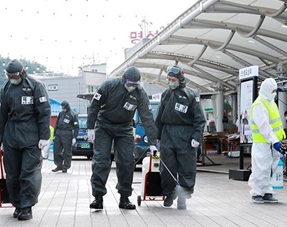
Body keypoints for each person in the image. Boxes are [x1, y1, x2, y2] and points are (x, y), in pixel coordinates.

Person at [88, 66, 158, 210]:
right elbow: (94, 105)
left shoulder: (140, 94)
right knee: (101, 160)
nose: (132, 87)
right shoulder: (109, 86)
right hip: (104, 126)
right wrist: (90, 128)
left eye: (135, 84)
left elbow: (147, 117)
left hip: (124, 128)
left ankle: (124, 198)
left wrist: (152, 142)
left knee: (126, 162)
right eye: (130, 84)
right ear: (124, 80)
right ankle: (98, 197)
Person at [0, 59, 51, 221]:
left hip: (31, 134)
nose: (12, 78)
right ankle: (18, 204)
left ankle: (27, 206)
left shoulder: (35, 86)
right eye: (9, 76)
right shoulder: (6, 89)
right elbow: (2, 116)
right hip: (11, 134)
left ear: (22, 72)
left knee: (29, 172)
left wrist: (44, 136)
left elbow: (44, 112)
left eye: (14, 75)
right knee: (12, 173)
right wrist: (0, 138)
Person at [155, 66, 205, 210]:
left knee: (186, 166)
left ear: (180, 79)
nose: (171, 82)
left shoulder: (191, 95)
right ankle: (169, 194)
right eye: (169, 80)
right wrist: (156, 136)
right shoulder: (165, 94)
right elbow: (159, 118)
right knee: (167, 167)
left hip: (185, 134)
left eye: (173, 80)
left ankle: (183, 196)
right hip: (167, 133)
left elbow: (199, 119)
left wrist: (197, 136)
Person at [248, 78, 285, 203]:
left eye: (275, 91)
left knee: (271, 168)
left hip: (272, 143)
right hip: (263, 143)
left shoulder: (271, 103)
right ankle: (257, 192)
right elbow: (264, 126)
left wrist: (277, 139)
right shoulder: (259, 104)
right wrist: (274, 140)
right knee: (262, 168)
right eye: (273, 90)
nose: (274, 93)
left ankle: (266, 191)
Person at [52, 100, 78, 173]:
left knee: (67, 152)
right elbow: (56, 124)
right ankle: (58, 165)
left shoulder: (73, 115)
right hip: (58, 133)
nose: (63, 108)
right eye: (62, 107)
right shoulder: (61, 113)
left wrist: (74, 137)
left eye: (64, 107)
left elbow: (76, 127)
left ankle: (66, 166)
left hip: (67, 134)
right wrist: (54, 134)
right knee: (56, 151)